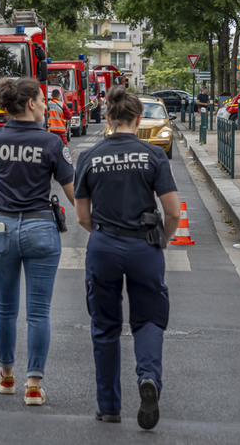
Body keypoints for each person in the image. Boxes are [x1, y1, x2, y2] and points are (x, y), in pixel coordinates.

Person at [74, 86, 181, 430]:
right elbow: (172, 211)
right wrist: (160, 241)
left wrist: (103, 235)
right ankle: (148, 378)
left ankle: (108, 407)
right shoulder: (153, 156)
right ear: (138, 119)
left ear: (107, 119)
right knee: (148, 320)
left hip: (104, 244)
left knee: (104, 325)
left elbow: (81, 215)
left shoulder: (89, 157)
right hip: (143, 247)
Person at [0, 77, 74, 407]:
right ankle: (33, 384)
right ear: (32, 104)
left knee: (5, 309)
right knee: (38, 313)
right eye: (42, 100)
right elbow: (72, 192)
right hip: (39, 227)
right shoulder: (51, 143)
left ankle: (6, 376)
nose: (46, 105)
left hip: (1, 227)